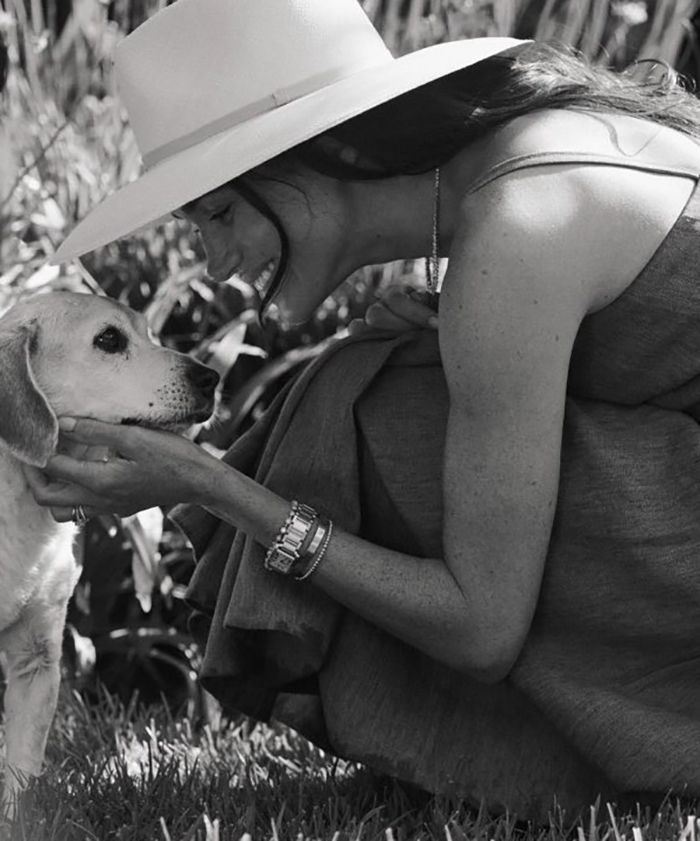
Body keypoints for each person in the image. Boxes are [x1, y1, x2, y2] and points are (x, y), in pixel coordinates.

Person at [23, 0, 700, 819]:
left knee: (378, 399)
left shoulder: (517, 226)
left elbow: (484, 630)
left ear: (330, 151)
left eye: (221, 214)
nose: (215, 261)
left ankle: (605, 745)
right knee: (378, 374)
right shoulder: (521, 158)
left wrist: (208, 484)